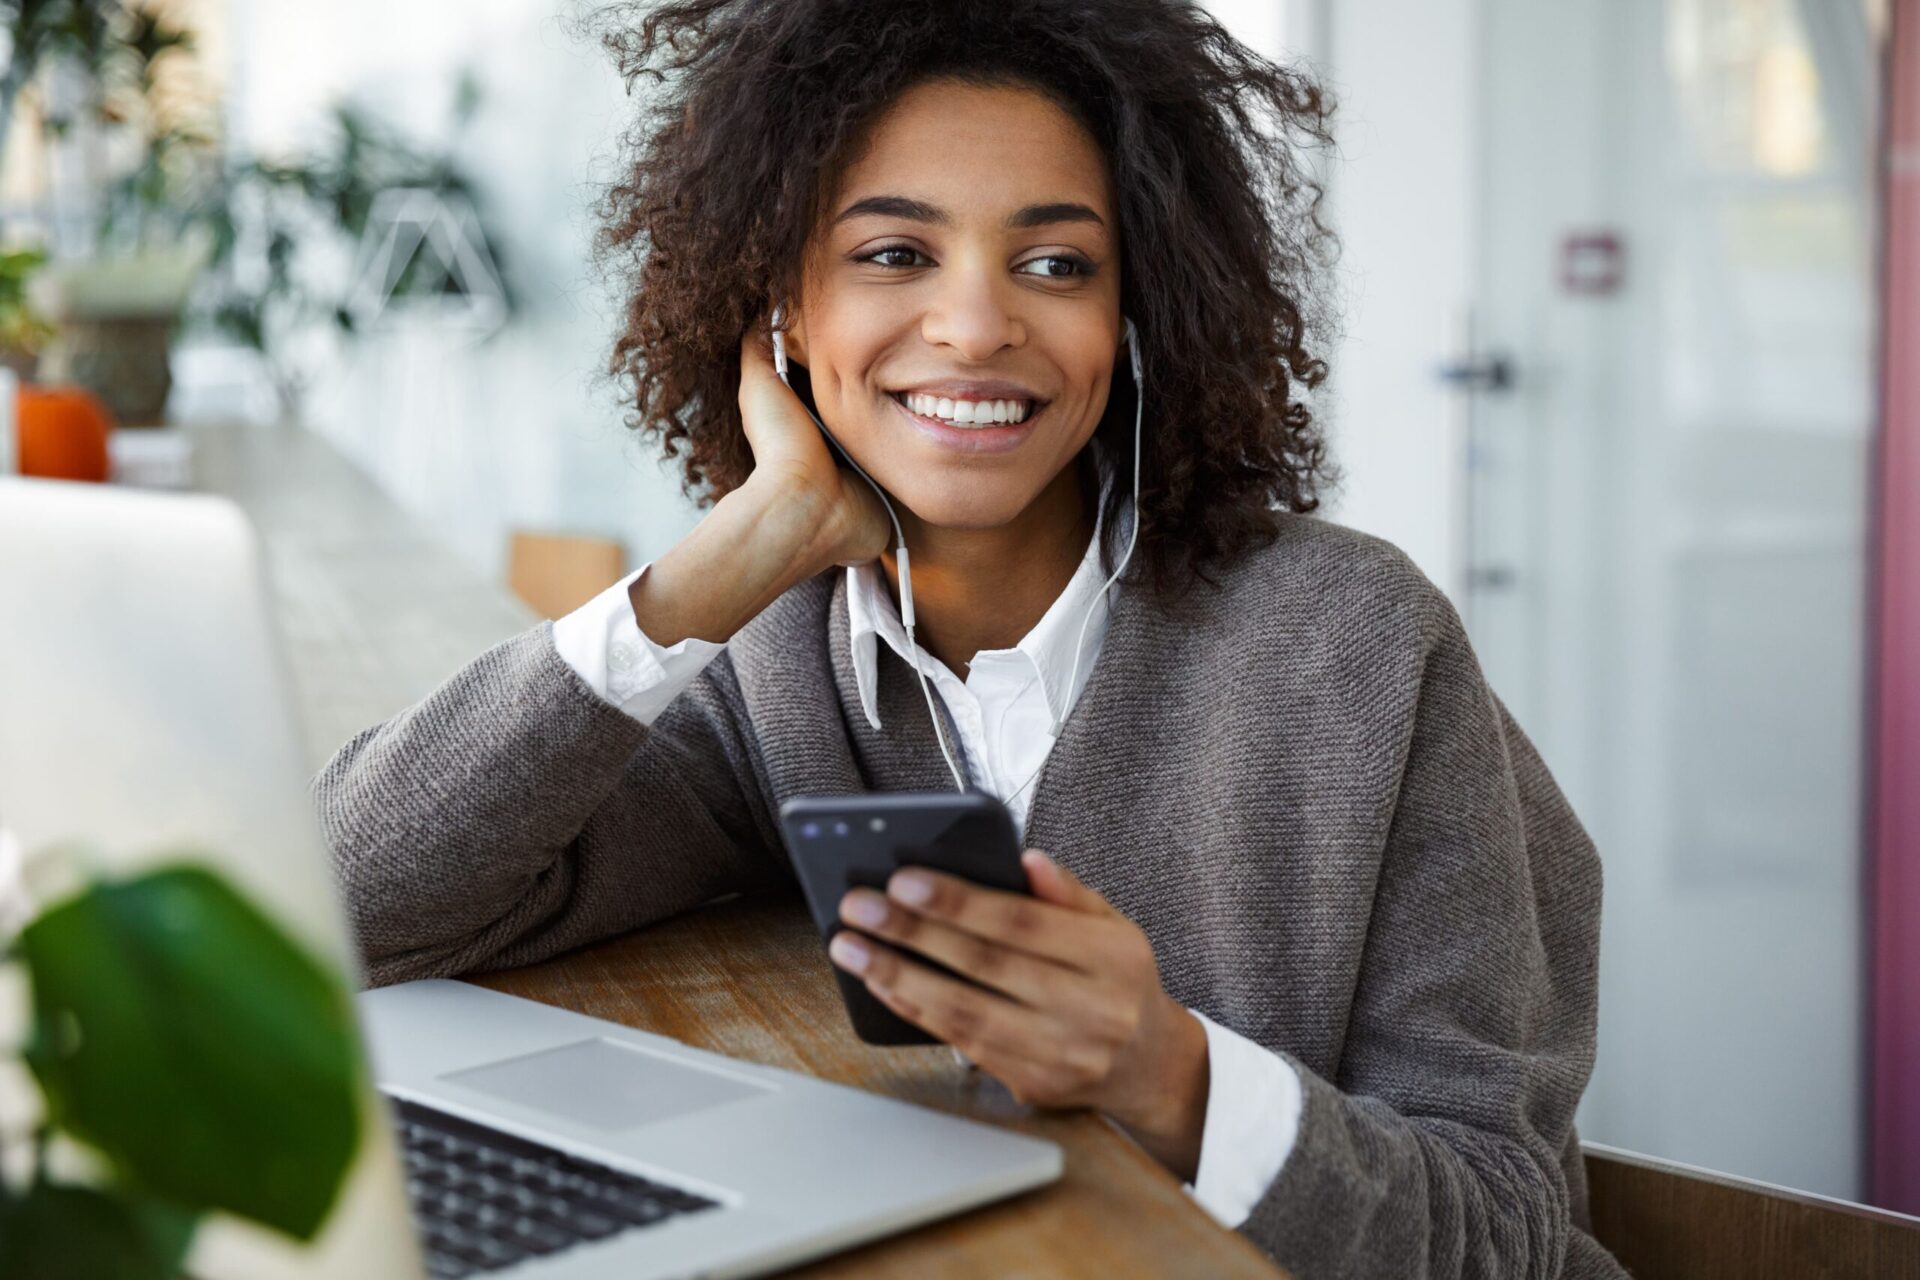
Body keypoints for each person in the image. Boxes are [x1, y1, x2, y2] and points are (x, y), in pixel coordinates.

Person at [315, 2, 1626, 1275]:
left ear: (1136, 309)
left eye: (1056, 263)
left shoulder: (1357, 651)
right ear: (782, 309)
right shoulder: (785, 655)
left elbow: (1506, 1235)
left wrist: (1168, 1073)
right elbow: (349, 903)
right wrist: (737, 548)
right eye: (893, 254)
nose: (976, 325)